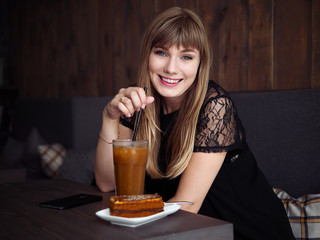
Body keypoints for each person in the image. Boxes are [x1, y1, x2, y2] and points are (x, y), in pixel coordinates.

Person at [95, 7, 295, 240]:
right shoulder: (140, 102)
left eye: (186, 57)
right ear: (147, 55)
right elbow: (107, 184)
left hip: (246, 231)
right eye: (161, 53)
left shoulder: (215, 105)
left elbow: (186, 205)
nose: (171, 68)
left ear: (200, 64)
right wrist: (110, 117)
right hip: (192, 232)